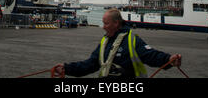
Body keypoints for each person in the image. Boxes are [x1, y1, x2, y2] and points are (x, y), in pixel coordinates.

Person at [53, 8, 181, 78]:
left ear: (116, 23)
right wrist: (67, 68)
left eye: (106, 23)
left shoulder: (132, 40)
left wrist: (169, 59)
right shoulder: (105, 41)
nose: (103, 27)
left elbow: (151, 55)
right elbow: (90, 64)